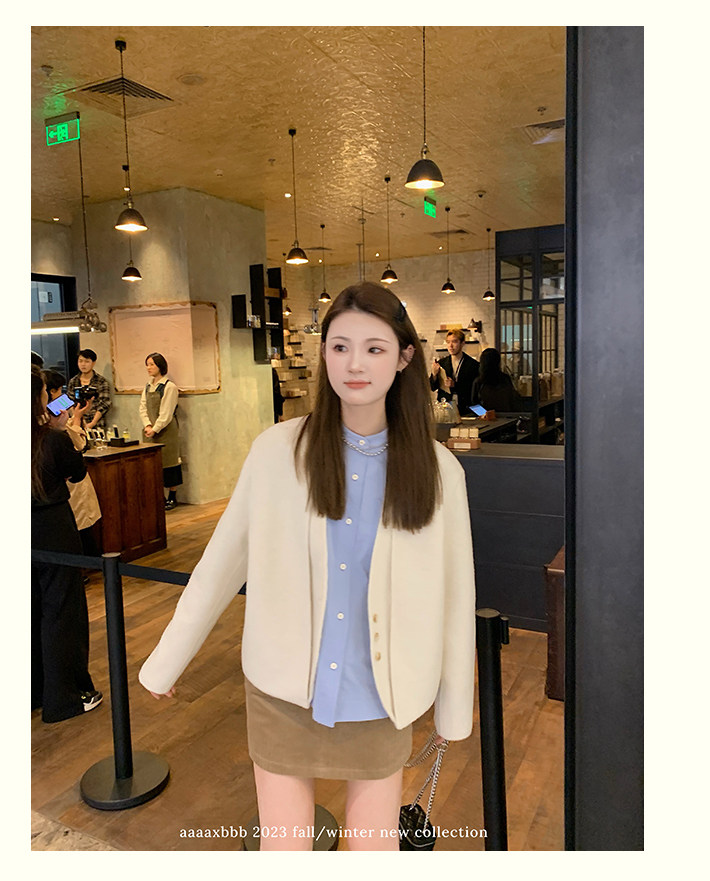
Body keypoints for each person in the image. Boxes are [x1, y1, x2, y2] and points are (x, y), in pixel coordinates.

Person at [138, 281, 476, 851]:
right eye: (340, 347)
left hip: (384, 695)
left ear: (404, 357)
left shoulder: (440, 472)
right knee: (284, 848)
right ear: (324, 354)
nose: (355, 364)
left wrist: (454, 707)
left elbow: (456, 596)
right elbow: (222, 561)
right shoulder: (277, 451)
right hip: (284, 691)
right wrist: (167, 660)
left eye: (374, 348)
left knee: (374, 850)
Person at [32, 366, 102, 722]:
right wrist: (63, 428)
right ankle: (65, 697)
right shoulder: (51, 440)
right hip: (52, 529)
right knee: (61, 611)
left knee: (29, 611)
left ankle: (35, 691)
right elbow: (76, 471)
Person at [44, 369, 102, 557]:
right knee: (79, 527)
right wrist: (75, 419)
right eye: (57, 390)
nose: (61, 396)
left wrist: (76, 417)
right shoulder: (50, 421)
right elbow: (78, 445)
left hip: (59, 491)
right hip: (66, 487)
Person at [139, 353, 183, 510]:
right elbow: (142, 407)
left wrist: (156, 428)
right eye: (147, 364)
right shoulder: (147, 386)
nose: (148, 368)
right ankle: (159, 496)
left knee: (170, 463)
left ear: (160, 366)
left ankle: (172, 496)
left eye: (152, 364)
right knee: (152, 464)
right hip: (149, 430)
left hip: (166, 430)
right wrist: (147, 425)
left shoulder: (169, 387)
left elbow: (166, 413)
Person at [429, 329, 479, 414]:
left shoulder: (473, 364)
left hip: (466, 408)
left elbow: (474, 390)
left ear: (462, 343)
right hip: (445, 408)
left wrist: (455, 385)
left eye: (454, 342)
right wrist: (434, 375)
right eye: (448, 342)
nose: (450, 346)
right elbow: (432, 387)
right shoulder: (441, 363)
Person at [66, 348, 111, 430]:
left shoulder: (101, 381)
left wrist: (92, 423)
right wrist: (75, 418)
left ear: (93, 363)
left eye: (87, 362)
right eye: (80, 361)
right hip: (76, 422)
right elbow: (70, 401)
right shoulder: (73, 381)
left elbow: (105, 403)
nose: (83, 364)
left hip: (96, 424)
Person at [471, 347, 525, 412]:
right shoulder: (505, 379)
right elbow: (512, 400)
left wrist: (484, 414)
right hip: (505, 415)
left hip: (486, 416)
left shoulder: (479, 382)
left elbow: (474, 404)